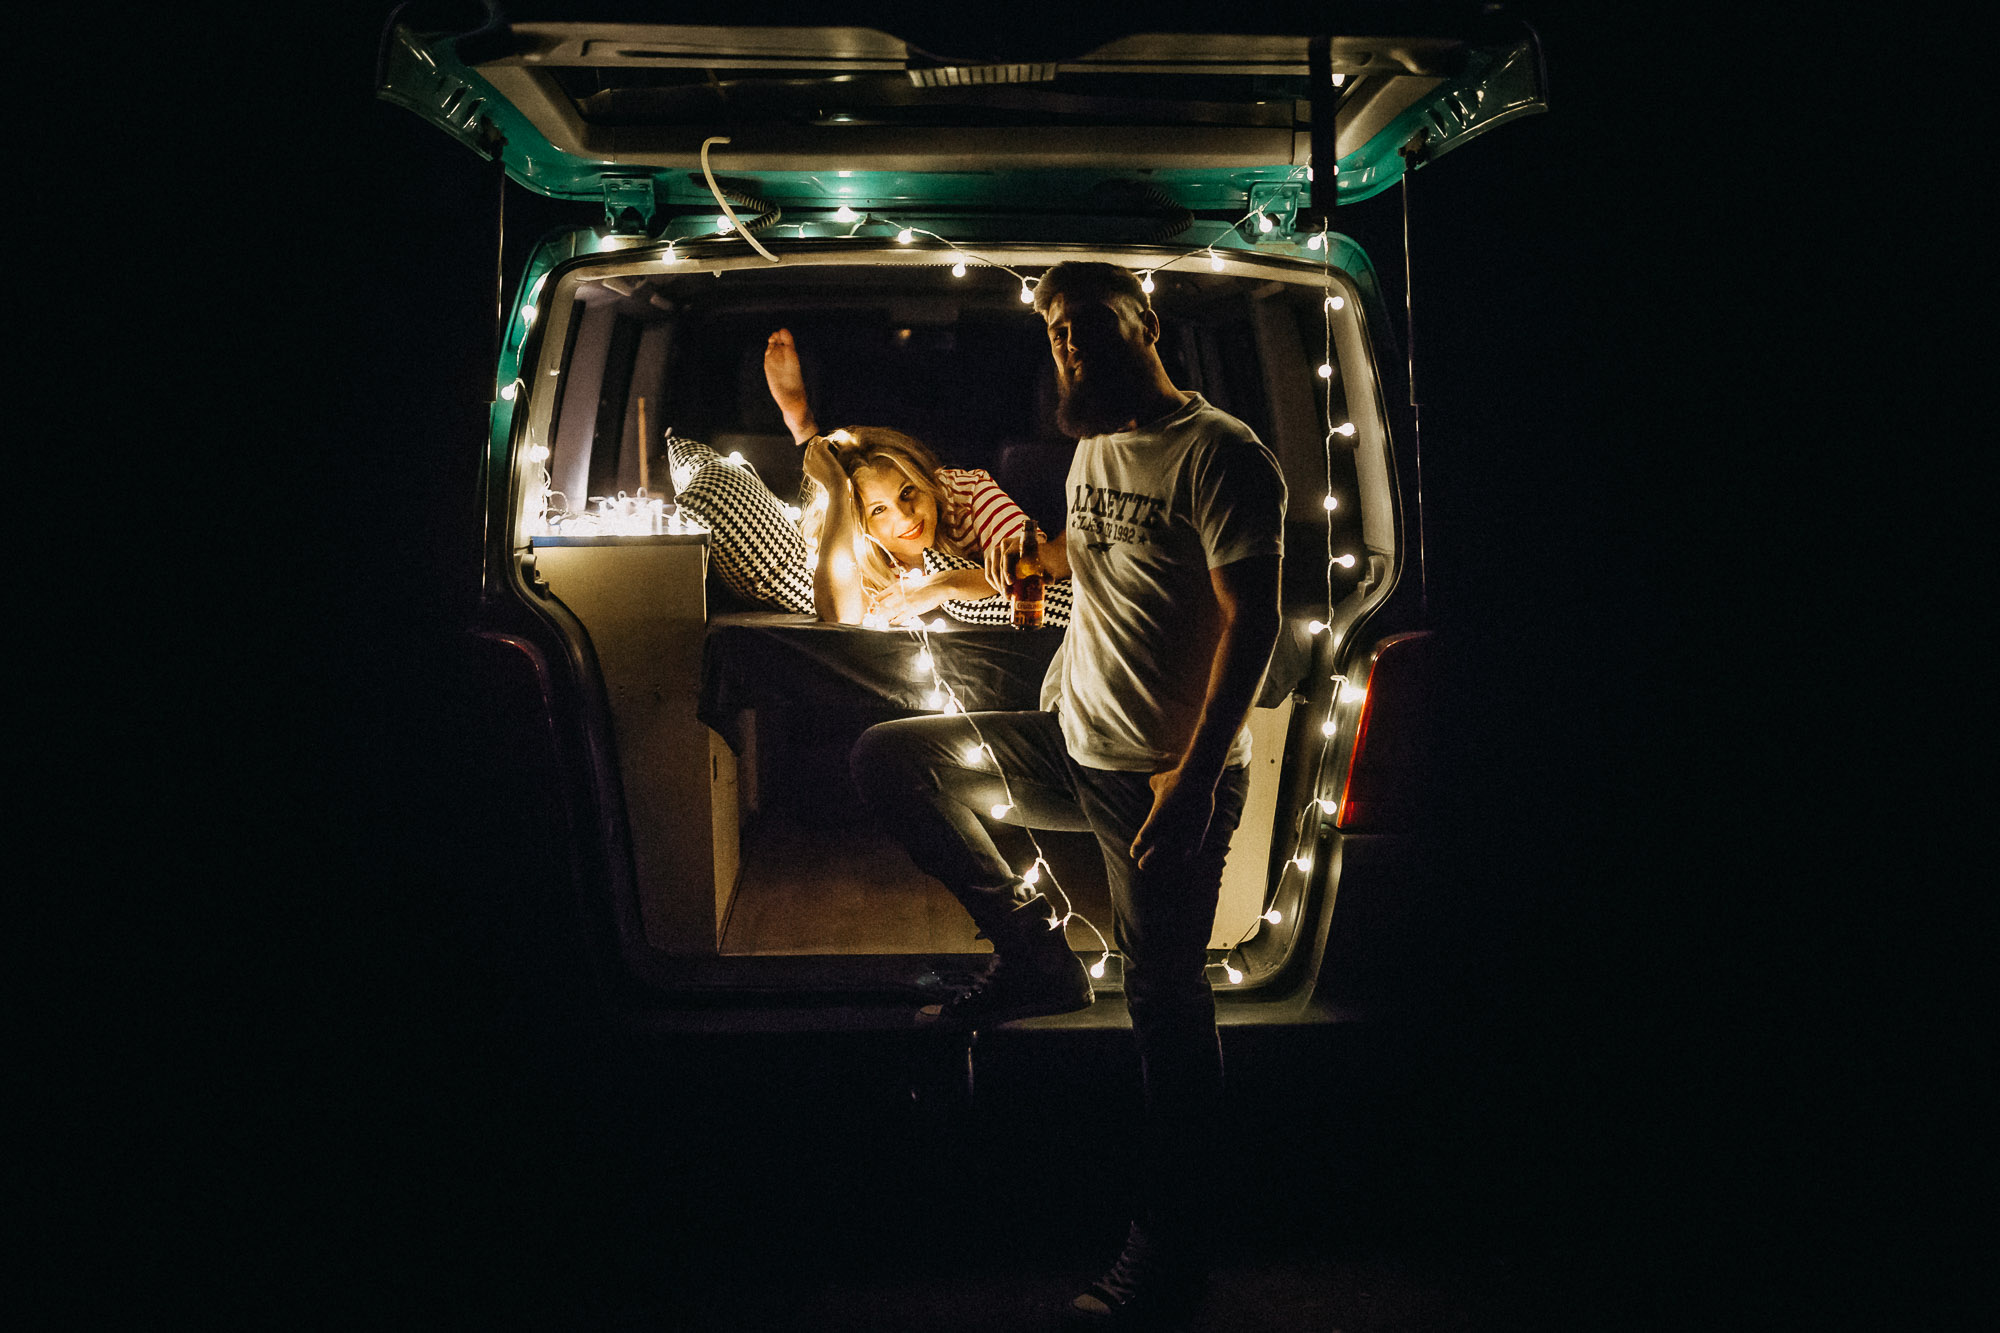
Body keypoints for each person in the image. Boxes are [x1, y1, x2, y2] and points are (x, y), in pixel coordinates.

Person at [848, 262, 1285, 1325]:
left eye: (1086, 326)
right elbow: (1080, 554)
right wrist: (1017, 570)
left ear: (1144, 323)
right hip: (1065, 742)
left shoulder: (1221, 454)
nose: (1068, 349)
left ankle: (1170, 1244)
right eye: (1053, 333)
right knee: (889, 756)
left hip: (1159, 778)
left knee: (1162, 997)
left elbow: (1253, 624)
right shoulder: (1090, 447)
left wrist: (1185, 785)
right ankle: (1037, 953)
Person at [663, 331, 1071, 627]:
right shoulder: (852, 533)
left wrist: (942, 584)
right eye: (879, 510)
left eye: (908, 492)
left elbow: (1038, 563)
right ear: (863, 523)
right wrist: (841, 495)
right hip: (838, 504)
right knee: (833, 481)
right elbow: (841, 614)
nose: (905, 516)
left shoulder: (968, 492)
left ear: (927, 482)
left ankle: (805, 429)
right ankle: (802, 426)